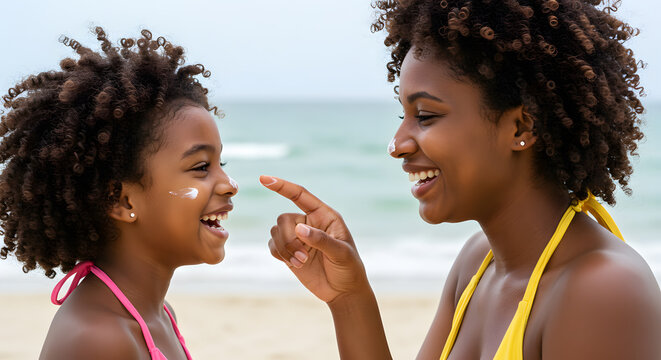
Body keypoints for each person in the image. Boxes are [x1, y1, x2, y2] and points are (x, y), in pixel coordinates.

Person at [261, 0, 661, 359]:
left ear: (521, 126)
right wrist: (348, 297)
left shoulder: (602, 290)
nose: (397, 144)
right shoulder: (477, 263)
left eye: (426, 116)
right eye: (402, 115)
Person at [0, 27, 237, 359]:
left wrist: (339, 297)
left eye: (220, 162)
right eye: (201, 167)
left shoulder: (157, 315)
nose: (229, 184)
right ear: (122, 201)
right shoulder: (100, 339)